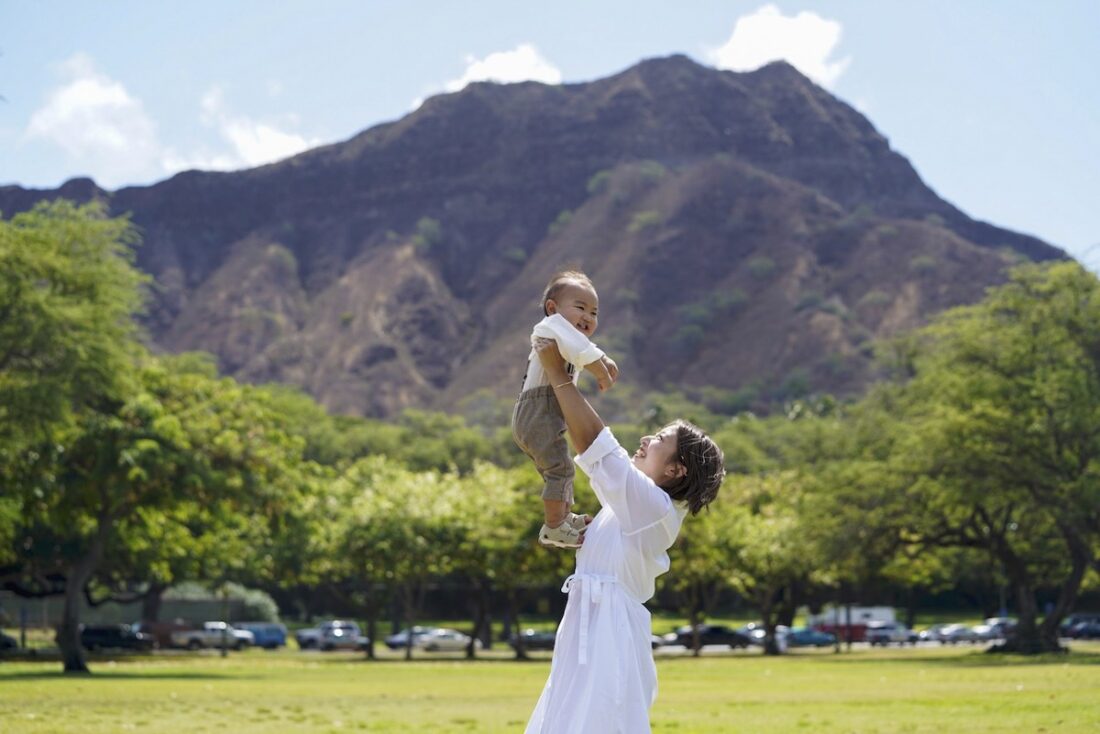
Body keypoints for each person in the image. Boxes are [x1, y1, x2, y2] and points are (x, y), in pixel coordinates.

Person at [525, 338, 725, 734]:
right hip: (591, 625)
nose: (647, 440)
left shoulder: (654, 508)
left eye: (660, 441)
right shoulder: (634, 508)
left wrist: (556, 372)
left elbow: (595, 444)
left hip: (609, 635)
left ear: (676, 470)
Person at [512, 271, 619, 548]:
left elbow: (582, 347)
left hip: (543, 414)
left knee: (557, 468)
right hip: (538, 411)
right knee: (560, 469)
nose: (588, 317)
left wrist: (603, 358)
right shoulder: (549, 328)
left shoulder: (566, 336)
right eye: (580, 308)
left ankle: (562, 517)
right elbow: (580, 349)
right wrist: (601, 369)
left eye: (594, 312)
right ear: (552, 309)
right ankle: (554, 527)